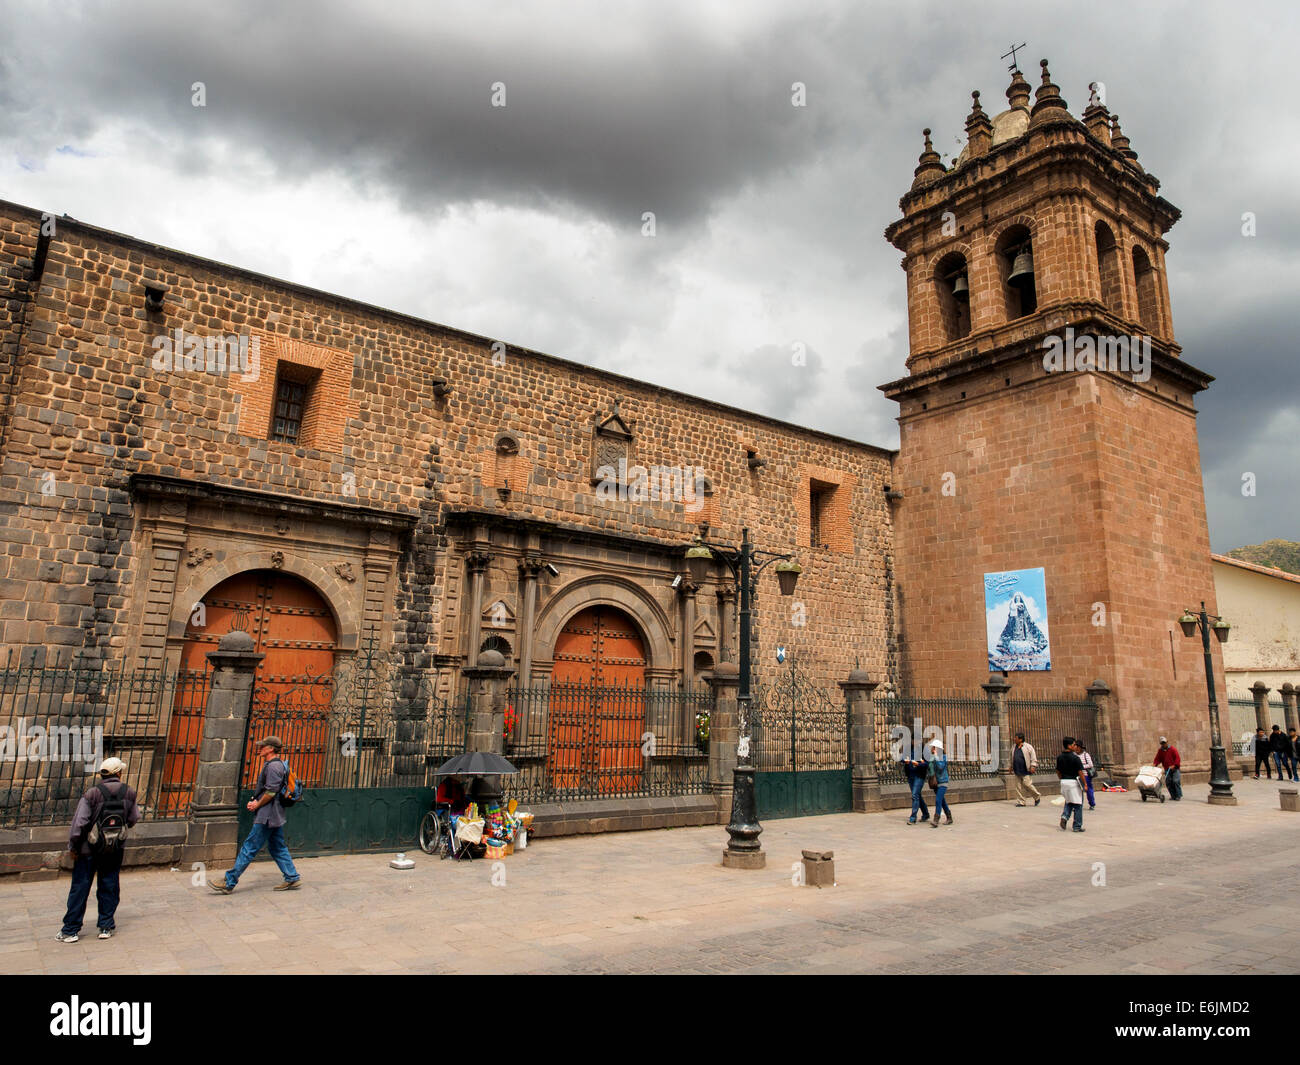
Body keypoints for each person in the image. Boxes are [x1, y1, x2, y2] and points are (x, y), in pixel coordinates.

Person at [57, 757, 141, 942]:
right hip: (114, 848)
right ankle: (106, 926)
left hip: (88, 849)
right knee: (109, 884)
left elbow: (79, 823)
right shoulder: (129, 792)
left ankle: (70, 930)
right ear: (119, 773)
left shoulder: (92, 794)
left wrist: (73, 846)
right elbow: (134, 818)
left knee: (80, 887)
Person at [209, 736, 301, 894]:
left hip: (267, 815)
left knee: (249, 847)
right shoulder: (276, 765)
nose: (259, 749)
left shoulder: (273, 767)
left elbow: (271, 792)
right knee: (277, 847)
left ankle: (229, 881)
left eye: (263, 746)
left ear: (271, 749)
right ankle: (292, 876)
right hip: (274, 814)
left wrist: (257, 804)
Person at [1056, 737, 1086, 832]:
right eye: (1074, 745)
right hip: (1073, 782)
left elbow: (1057, 770)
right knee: (1078, 804)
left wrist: (1061, 777)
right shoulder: (1075, 758)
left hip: (1064, 781)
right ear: (1069, 746)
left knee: (1069, 801)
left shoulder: (1059, 757)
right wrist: (1085, 783)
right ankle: (1077, 825)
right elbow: (1080, 772)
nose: (1075, 746)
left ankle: (1065, 816)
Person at [926, 738, 952, 828]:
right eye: (933, 747)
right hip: (935, 782)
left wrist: (936, 757)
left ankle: (936, 820)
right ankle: (949, 817)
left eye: (934, 747)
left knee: (938, 800)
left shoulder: (943, 757)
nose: (933, 749)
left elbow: (941, 768)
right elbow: (930, 769)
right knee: (942, 800)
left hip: (943, 781)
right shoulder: (933, 757)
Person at [901, 748, 930, 824]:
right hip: (911, 775)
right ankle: (926, 814)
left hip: (919, 776)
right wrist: (904, 760)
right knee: (917, 795)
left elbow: (927, 763)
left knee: (914, 795)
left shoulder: (924, 751)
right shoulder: (908, 749)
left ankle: (913, 817)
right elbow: (902, 758)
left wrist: (919, 764)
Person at [1011, 732, 1041, 807]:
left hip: (1025, 769)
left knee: (1027, 784)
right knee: (1018, 787)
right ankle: (1021, 801)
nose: (1014, 739)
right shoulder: (1014, 747)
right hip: (1017, 769)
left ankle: (1037, 796)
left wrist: (1033, 766)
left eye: (1016, 738)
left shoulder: (1028, 747)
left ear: (1020, 739)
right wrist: (1011, 766)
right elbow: (1011, 756)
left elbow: (1033, 757)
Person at [1152, 736, 1182, 800]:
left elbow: (1177, 758)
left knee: (1175, 781)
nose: (1163, 744)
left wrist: (1174, 765)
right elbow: (1158, 758)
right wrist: (1155, 764)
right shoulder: (1160, 751)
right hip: (1167, 769)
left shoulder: (1173, 749)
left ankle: (1178, 795)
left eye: (1164, 743)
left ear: (1167, 742)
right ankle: (1173, 795)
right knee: (1168, 782)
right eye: (1162, 743)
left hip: (1175, 768)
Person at [1077, 740, 1096, 810]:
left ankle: (1092, 803)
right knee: (1078, 791)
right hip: (1078, 776)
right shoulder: (1075, 755)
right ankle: (1078, 805)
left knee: (1088, 790)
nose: (1076, 749)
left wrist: (1081, 766)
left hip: (1086, 775)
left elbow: (1091, 764)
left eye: (1078, 747)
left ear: (1081, 748)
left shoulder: (1086, 755)